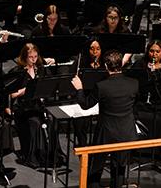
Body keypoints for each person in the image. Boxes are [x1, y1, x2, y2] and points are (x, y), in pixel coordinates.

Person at [71, 50, 139, 188]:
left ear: (106, 66)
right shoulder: (134, 83)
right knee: (119, 167)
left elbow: (85, 105)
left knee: (96, 166)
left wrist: (79, 89)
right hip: (126, 131)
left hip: (106, 132)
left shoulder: (102, 86)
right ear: (121, 64)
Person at [10, 43, 65, 168]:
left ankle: (51, 154)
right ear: (24, 57)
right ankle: (36, 156)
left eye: (35, 56)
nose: (34, 59)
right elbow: (12, 95)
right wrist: (26, 90)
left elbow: (51, 85)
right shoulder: (17, 72)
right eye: (30, 57)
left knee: (52, 120)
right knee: (36, 123)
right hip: (24, 108)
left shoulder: (41, 69)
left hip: (39, 106)